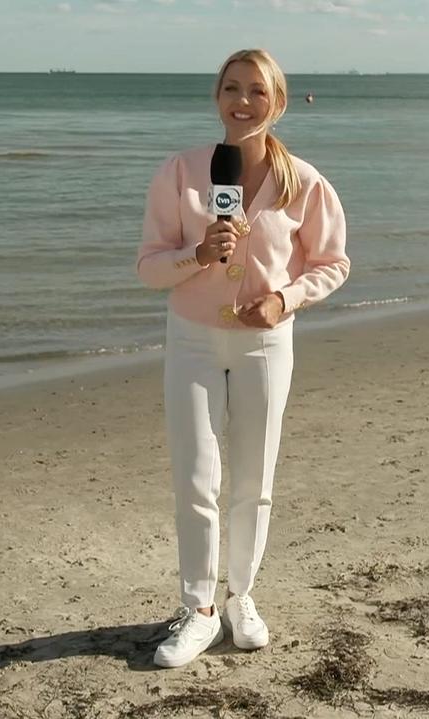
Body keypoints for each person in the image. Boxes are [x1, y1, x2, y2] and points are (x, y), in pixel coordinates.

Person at [135, 48, 350, 669]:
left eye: (257, 90)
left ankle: (241, 597)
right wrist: (198, 255)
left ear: (277, 102)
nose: (242, 101)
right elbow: (149, 267)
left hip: (265, 344)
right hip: (193, 339)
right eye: (231, 88)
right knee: (196, 475)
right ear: (217, 97)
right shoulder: (181, 172)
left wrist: (285, 299)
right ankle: (199, 609)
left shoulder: (303, 181)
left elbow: (333, 262)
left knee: (254, 479)